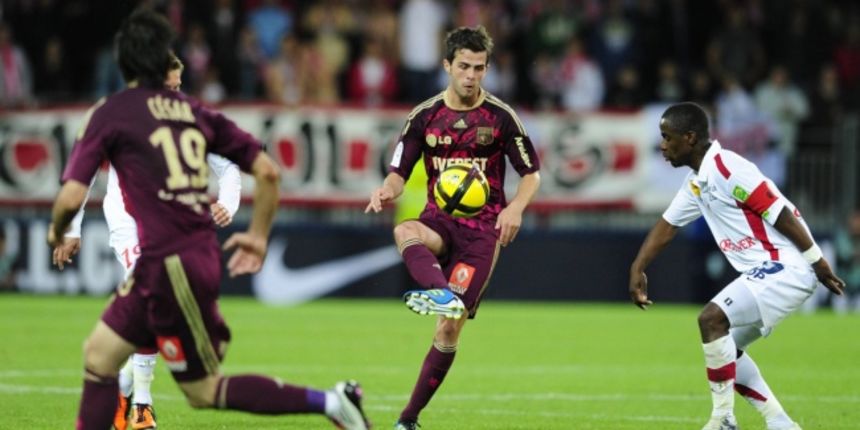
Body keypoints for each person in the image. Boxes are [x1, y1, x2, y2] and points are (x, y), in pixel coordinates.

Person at [46, 9, 370, 430]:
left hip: (169, 262)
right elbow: (269, 172)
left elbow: (72, 192)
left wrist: (59, 231)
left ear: (124, 62)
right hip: (180, 256)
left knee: (202, 391)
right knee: (99, 356)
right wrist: (257, 235)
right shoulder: (194, 113)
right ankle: (140, 405)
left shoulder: (109, 113)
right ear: (164, 61)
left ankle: (331, 403)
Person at [52, 54, 242, 430]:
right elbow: (83, 174)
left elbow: (229, 164)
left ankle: (123, 387)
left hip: (170, 226)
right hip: (127, 222)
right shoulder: (119, 119)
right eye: (166, 87)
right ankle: (142, 405)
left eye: (177, 87)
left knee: (156, 309)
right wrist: (71, 229)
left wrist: (228, 203)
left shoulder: (188, 116)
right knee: (155, 296)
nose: (173, 94)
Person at [628, 102, 845, 430]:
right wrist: (638, 266)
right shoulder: (697, 181)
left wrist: (818, 262)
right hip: (771, 270)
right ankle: (779, 422)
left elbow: (781, 214)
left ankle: (723, 419)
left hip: (786, 265)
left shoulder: (727, 168)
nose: (662, 145)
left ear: (689, 138)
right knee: (727, 344)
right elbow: (667, 226)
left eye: (666, 136)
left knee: (711, 318)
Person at [365, 25, 541, 430]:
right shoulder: (424, 117)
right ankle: (442, 292)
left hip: (481, 234)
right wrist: (386, 191)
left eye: (479, 68)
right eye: (464, 66)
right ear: (446, 65)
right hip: (439, 221)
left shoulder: (500, 118)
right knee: (404, 231)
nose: (471, 75)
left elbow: (531, 173)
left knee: (448, 327)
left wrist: (515, 207)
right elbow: (398, 172)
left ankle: (408, 419)